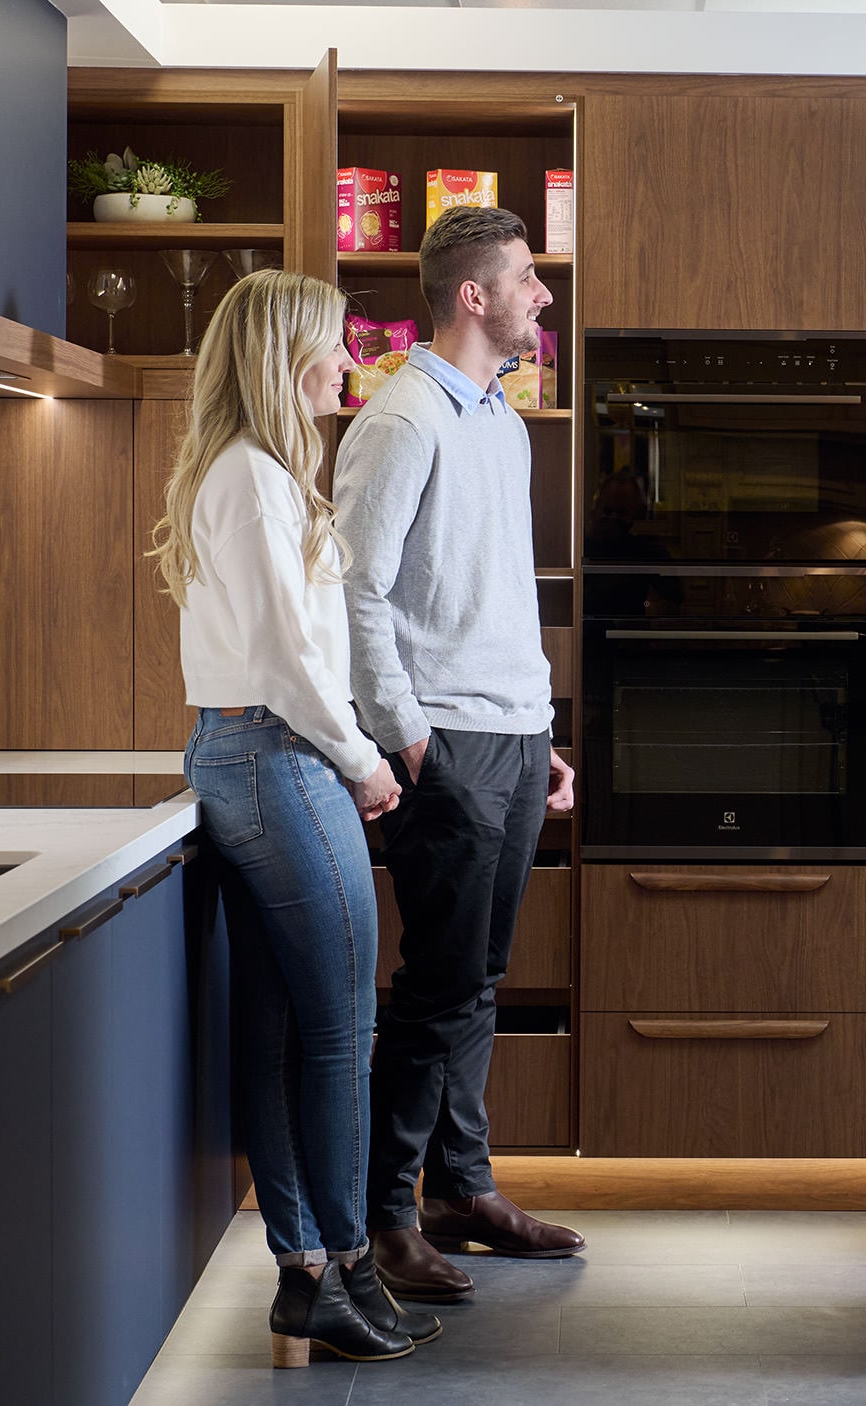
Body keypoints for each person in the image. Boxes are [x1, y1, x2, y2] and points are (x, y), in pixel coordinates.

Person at [152, 268, 443, 1367]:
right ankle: (345, 1262)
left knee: (283, 1036)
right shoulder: (254, 479)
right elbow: (286, 660)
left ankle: (310, 1274)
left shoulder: (255, 473)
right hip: (279, 758)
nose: (348, 362)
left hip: (255, 754)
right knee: (339, 1035)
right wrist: (366, 761)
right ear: (281, 358)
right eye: (333, 344)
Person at [335, 206, 583, 1304]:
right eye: (527, 279)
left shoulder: (501, 420)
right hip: (446, 739)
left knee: (476, 978)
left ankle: (460, 1187)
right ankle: (388, 1215)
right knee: (437, 985)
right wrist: (407, 730)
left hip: (511, 734)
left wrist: (540, 727)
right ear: (472, 296)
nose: (543, 295)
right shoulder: (402, 418)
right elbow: (356, 589)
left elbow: (496, 597)